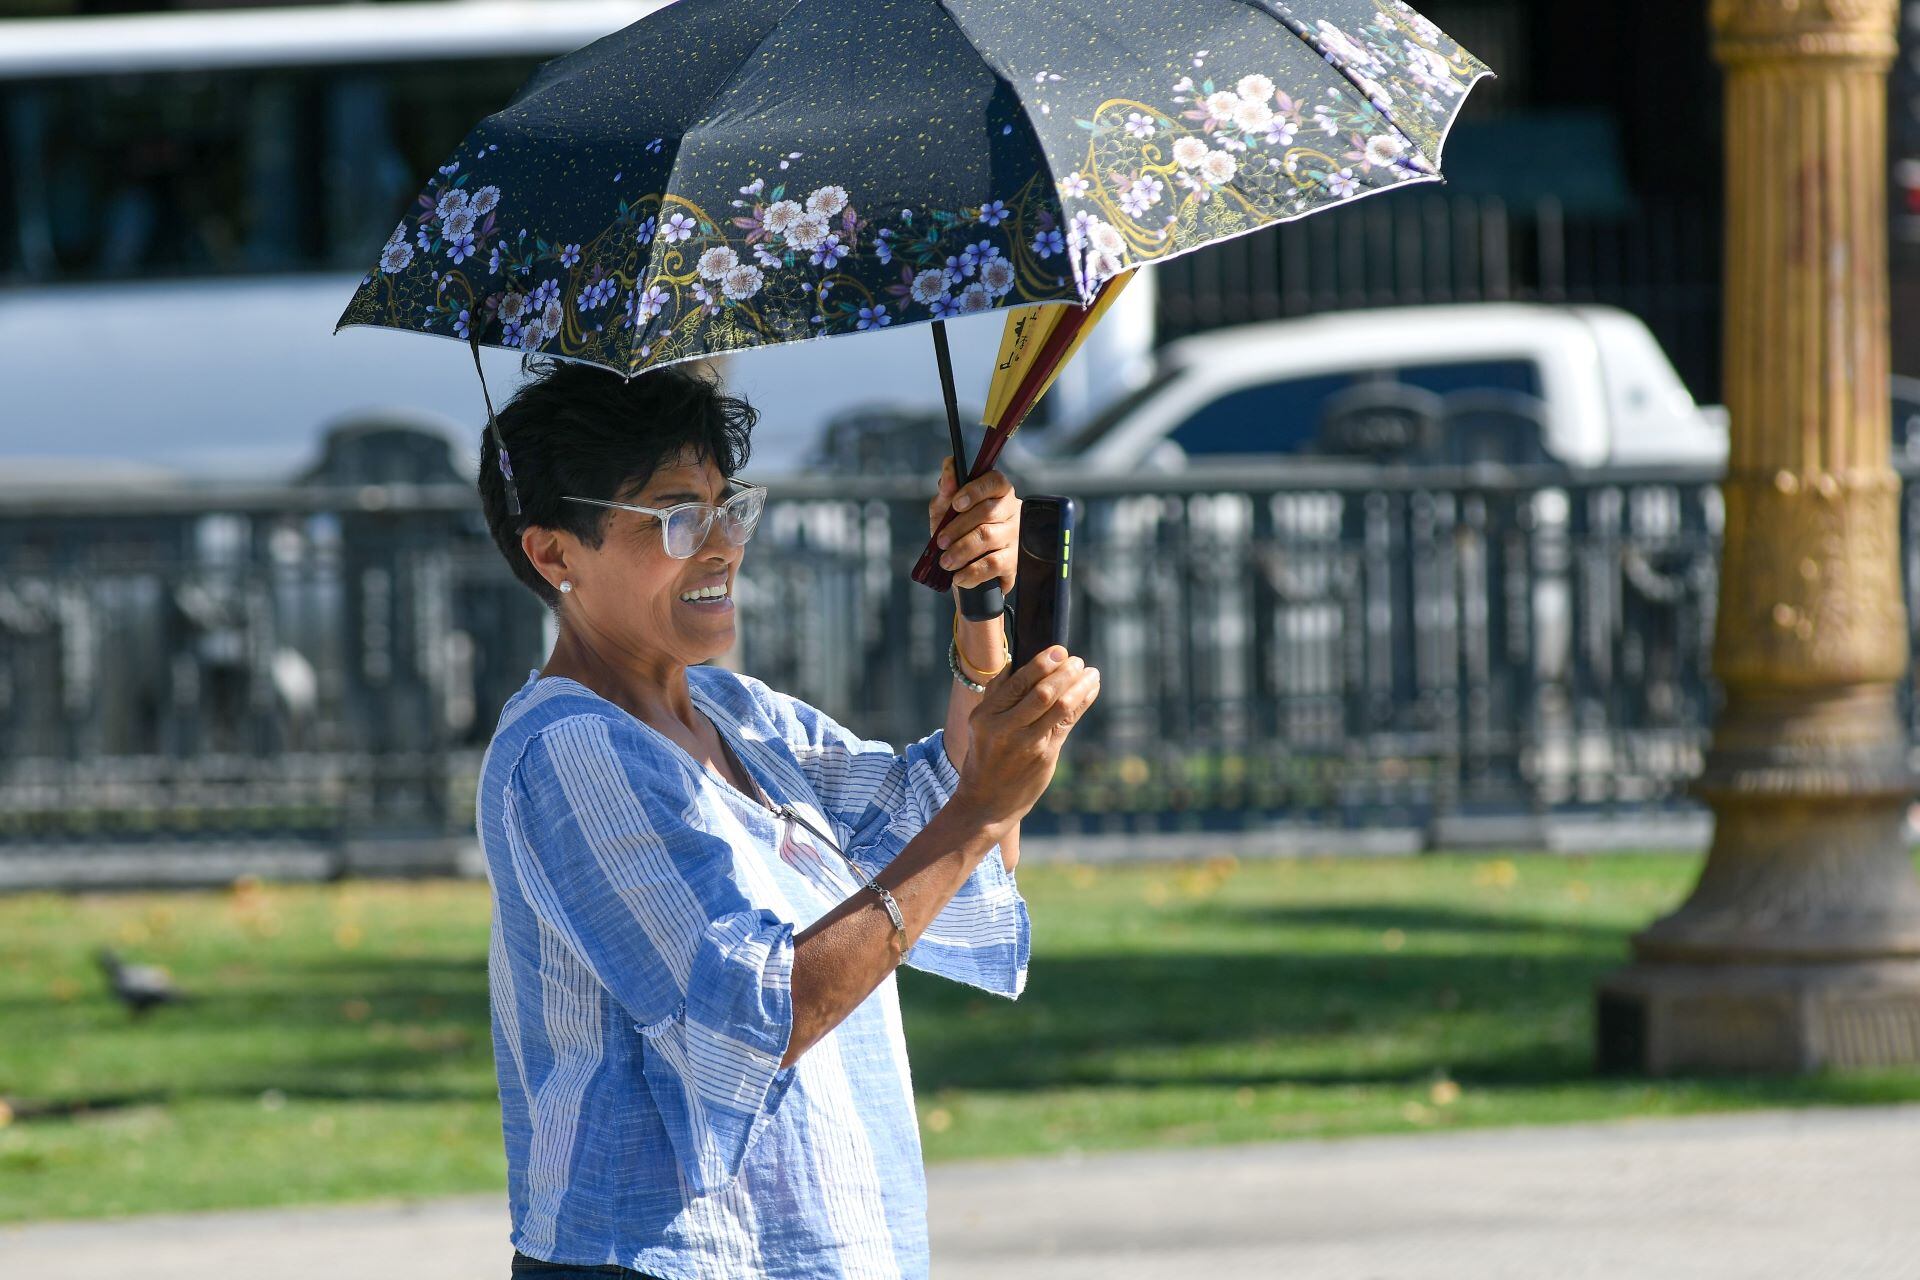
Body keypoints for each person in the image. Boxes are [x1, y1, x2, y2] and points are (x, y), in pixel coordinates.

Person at [471, 357, 1101, 1279]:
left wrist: (981, 607)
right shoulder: (566, 748)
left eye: (731, 505)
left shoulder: (741, 717)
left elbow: (948, 850)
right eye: (677, 517)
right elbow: (761, 1015)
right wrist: (976, 811)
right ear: (554, 552)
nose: (723, 544)